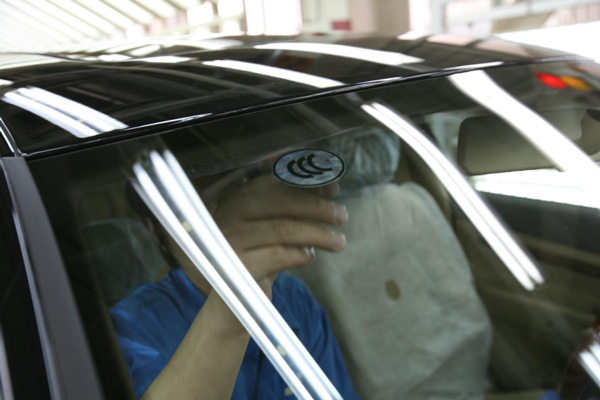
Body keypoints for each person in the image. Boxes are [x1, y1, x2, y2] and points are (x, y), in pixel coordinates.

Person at [109, 173, 360, 400]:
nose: (220, 221)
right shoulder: (127, 329)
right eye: (190, 206)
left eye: (231, 193)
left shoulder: (292, 297)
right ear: (154, 230)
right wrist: (231, 307)